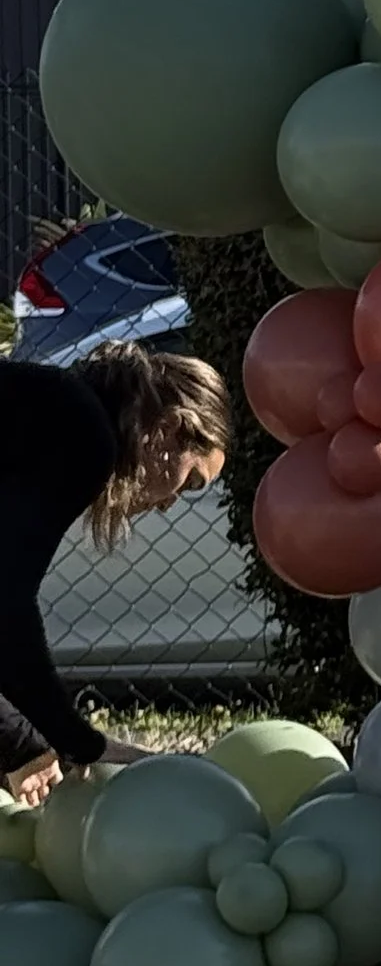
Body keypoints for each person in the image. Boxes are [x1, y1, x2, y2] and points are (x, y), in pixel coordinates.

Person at [0, 342, 230, 801]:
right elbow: (7, 607)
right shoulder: (83, 434)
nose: (169, 504)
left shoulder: (56, 410)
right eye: (190, 482)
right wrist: (52, 742)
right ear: (170, 428)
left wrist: (41, 739)